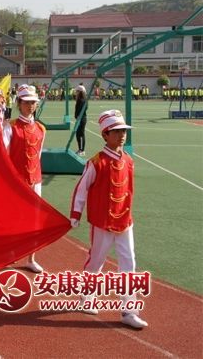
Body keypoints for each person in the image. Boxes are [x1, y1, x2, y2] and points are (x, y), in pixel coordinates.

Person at [69, 109, 148, 329]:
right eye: (116, 131)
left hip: (124, 221)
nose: (121, 135)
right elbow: (81, 189)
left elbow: (129, 191)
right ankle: (87, 295)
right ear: (105, 134)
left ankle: (129, 310)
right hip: (102, 222)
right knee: (96, 260)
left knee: (129, 262)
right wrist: (75, 213)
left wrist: (127, 214)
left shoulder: (129, 161)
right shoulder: (96, 162)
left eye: (123, 131)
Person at [2, 84, 45, 273]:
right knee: (12, 217)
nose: (30, 106)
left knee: (34, 219)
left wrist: (35, 176)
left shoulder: (41, 129)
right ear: (19, 103)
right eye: (26, 102)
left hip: (35, 180)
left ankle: (31, 258)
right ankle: (8, 253)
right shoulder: (10, 126)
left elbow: (38, 156)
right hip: (16, 182)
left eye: (33, 102)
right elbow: (3, 153)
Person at [74, 85, 88, 156]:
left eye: (77, 91)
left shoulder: (82, 100)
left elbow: (80, 110)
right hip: (79, 119)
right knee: (78, 134)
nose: (76, 93)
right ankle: (80, 149)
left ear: (80, 92)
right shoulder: (80, 99)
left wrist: (78, 117)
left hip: (81, 119)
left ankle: (82, 150)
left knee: (81, 134)